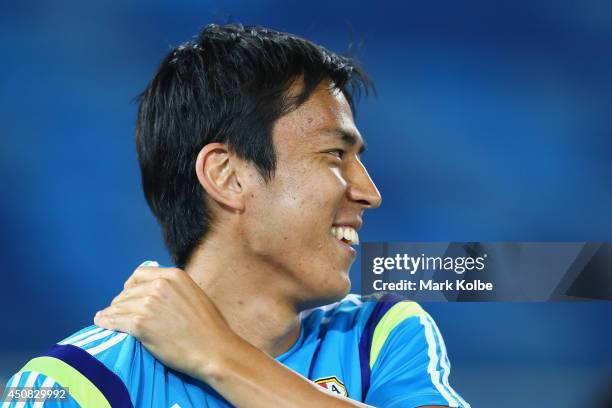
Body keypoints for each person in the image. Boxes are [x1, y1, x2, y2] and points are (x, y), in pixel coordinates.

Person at [2, 23, 469, 407]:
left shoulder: (378, 337)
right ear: (226, 176)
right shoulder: (74, 384)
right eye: (334, 155)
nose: (370, 193)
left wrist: (220, 356)